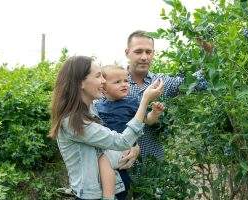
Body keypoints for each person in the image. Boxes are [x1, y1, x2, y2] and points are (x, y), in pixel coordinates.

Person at [48, 56, 164, 200]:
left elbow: (110, 140)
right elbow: (120, 142)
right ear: (80, 82)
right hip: (93, 195)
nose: (103, 81)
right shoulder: (73, 121)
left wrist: (135, 147)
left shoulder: (91, 108)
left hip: (116, 184)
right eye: (98, 76)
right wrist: (145, 100)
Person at [95, 65, 165, 199]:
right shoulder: (97, 106)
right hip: (108, 150)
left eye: (126, 80)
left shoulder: (132, 102)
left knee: (123, 184)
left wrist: (155, 113)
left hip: (124, 152)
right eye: (117, 82)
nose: (124, 84)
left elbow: (147, 120)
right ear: (103, 88)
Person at [124, 30, 185, 162]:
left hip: (155, 168)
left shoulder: (161, 82)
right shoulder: (114, 83)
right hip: (120, 168)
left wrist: (208, 52)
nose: (144, 57)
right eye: (138, 51)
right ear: (127, 52)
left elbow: (194, 82)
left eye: (148, 52)